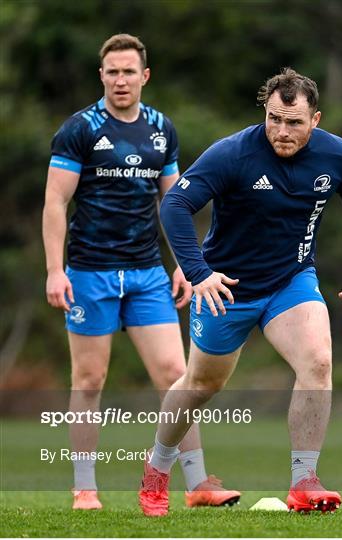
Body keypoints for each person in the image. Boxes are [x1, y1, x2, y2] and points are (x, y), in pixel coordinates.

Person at [138, 67, 342, 516]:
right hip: (225, 289)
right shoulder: (233, 153)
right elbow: (175, 204)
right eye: (274, 119)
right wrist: (198, 273)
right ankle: (156, 470)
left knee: (319, 362)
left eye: (294, 122)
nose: (282, 131)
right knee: (201, 384)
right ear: (264, 113)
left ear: (316, 119)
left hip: (291, 280)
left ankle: (304, 480)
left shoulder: (339, 158)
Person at [42, 33, 240, 511]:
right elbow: (54, 201)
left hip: (149, 272)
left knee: (177, 373)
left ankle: (197, 485)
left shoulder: (161, 130)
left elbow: (175, 202)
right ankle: (85, 488)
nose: (121, 80)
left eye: (129, 71)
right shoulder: (80, 129)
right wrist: (54, 269)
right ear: (102, 76)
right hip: (90, 272)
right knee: (89, 379)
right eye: (112, 71)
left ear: (144, 76)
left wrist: (185, 266)